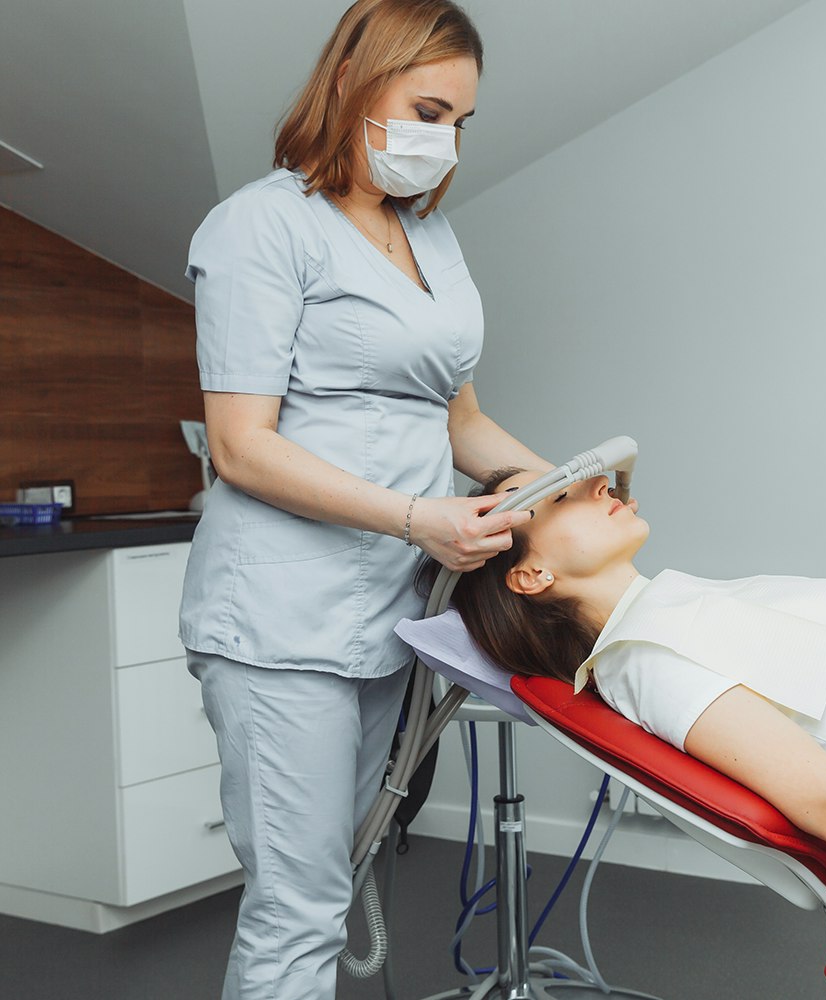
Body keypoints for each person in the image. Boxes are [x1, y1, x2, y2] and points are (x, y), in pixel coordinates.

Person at [180, 3, 551, 996]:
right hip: (279, 616)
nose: (444, 140)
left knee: (330, 883)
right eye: (428, 108)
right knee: (295, 905)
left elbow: (456, 421)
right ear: (353, 76)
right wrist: (416, 517)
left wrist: (555, 483)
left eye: (460, 122)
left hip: (387, 611)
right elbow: (240, 446)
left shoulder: (430, 236)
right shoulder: (261, 225)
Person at [449, 468, 826, 922]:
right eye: (563, 495)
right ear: (531, 574)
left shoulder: (667, 613)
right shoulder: (643, 659)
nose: (601, 486)